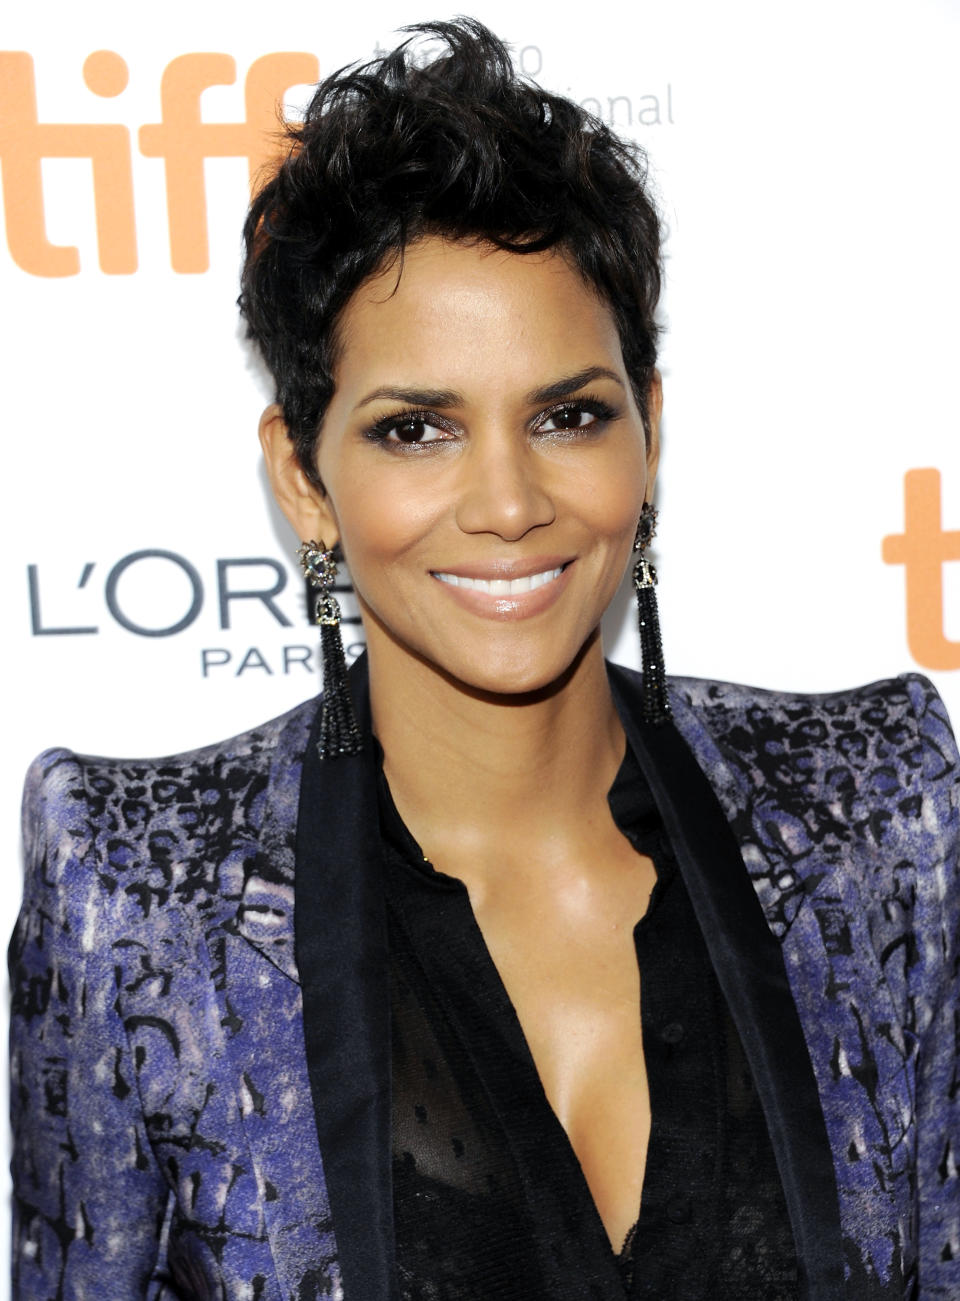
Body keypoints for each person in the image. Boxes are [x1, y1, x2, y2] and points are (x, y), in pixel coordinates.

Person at [9, 18, 959, 1301]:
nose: (508, 502)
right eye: (417, 430)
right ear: (303, 474)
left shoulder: (877, 813)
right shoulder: (140, 890)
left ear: (649, 426)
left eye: (568, 415)